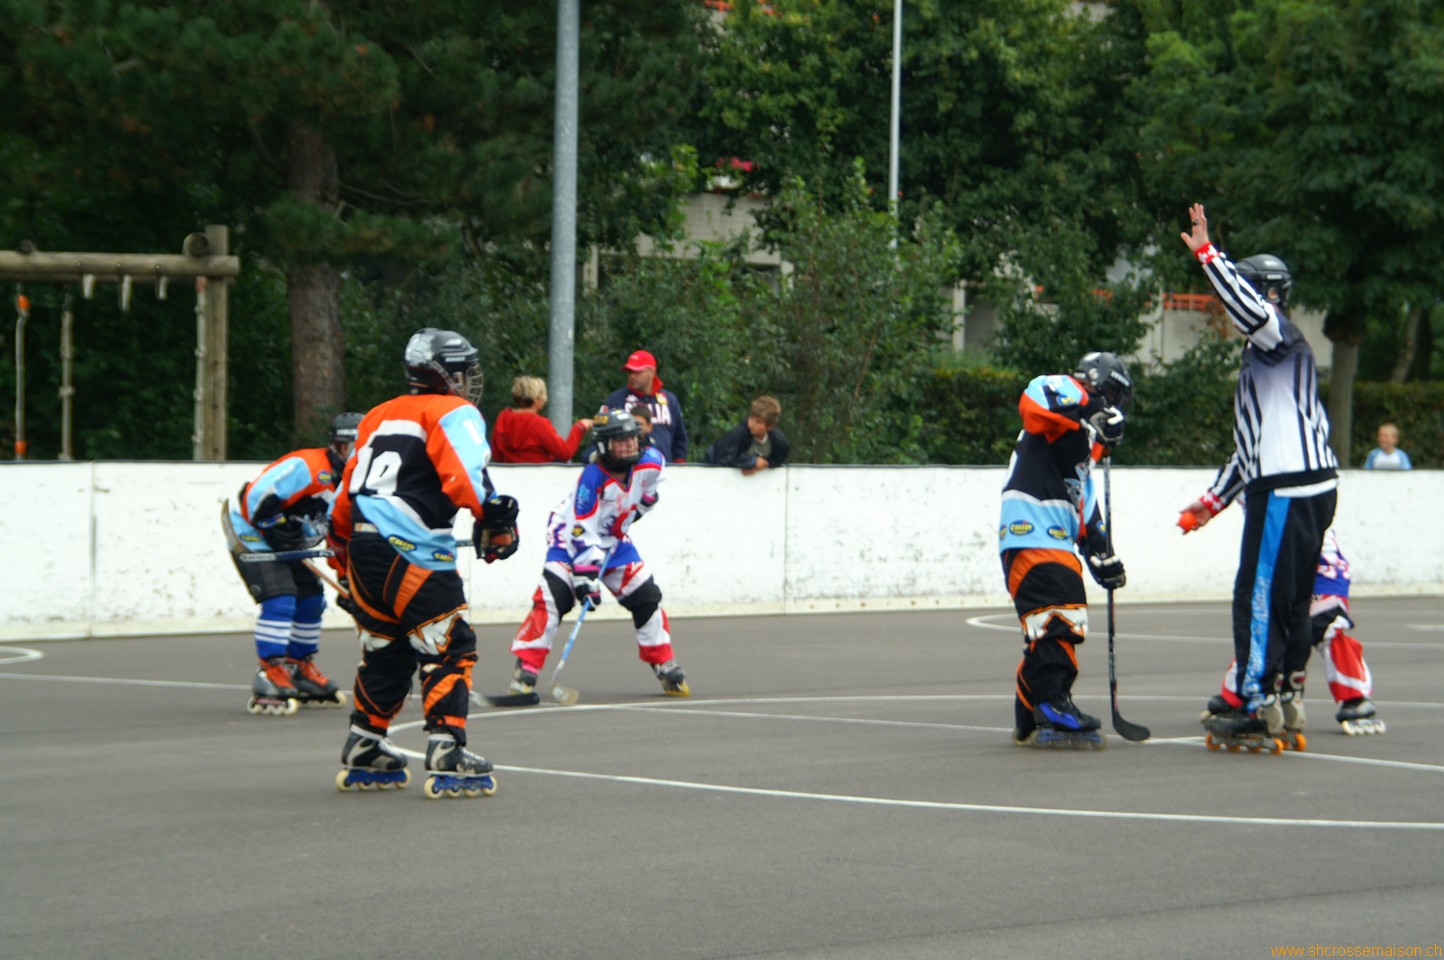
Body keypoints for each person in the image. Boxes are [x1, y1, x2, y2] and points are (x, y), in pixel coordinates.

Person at [327, 327, 521, 795]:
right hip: (414, 550)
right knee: (450, 647)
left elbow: (343, 499)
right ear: (446, 374)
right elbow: (465, 475)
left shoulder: (377, 415)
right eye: (463, 371)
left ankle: (365, 742)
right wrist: (494, 517)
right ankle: (446, 747)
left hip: (363, 549)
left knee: (386, 652)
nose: (468, 380)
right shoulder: (454, 411)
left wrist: (343, 564)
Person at [1178, 203, 1339, 748]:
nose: (1229, 307)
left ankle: (1254, 700)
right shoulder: (1272, 353)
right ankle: (1286, 691)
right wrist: (1212, 502)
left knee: (1258, 595)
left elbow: (1248, 306)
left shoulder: (1276, 335)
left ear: (1266, 293)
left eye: (1245, 292)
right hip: (1311, 485)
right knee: (1291, 599)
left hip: (1287, 488)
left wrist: (1208, 253)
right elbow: (1250, 449)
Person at [998, 351, 1131, 749]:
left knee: (1054, 622)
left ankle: (1030, 710)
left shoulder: (1080, 451)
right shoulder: (1061, 401)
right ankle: (1052, 703)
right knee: (1060, 615)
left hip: (1050, 538)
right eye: (1115, 398)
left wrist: (1102, 553)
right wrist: (1091, 407)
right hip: (1031, 532)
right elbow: (1034, 398)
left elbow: (1084, 505)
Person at [506, 408, 687, 698]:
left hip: (613, 539)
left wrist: (633, 513)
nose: (629, 445)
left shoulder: (652, 463)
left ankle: (663, 662)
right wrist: (585, 578)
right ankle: (526, 667)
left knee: (646, 596)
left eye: (632, 438)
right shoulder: (591, 478)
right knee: (554, 597)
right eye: (620, 440)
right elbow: (581, 529)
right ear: (604, 446)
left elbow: (649, 495)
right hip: (570, 537)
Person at [223, 411, 362, 715]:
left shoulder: (362, 486)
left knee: (311, 599)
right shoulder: (308, 466)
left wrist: (348, 578)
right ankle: (269, 670)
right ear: (336, 446)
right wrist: (274, 525)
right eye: (348, 447)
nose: (354, 455)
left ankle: (298, 666)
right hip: (249, 527)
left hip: (292, 538)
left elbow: (343, 537)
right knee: (280, 597)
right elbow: (255, 495)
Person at [1199, 529, 1385, 736]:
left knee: (1327, 629)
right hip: (1288, 568)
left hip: (1321, 571)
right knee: (1268, 631)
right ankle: (1238, 693)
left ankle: (1356, 697)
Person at [603, 349, 689, 463]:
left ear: (651, 372)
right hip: (627, 469)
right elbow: (602, 436)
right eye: (629, 372)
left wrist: (679, 466)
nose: (632, 376)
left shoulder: (669, 400)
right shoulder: (616, 399)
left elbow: (680, 439)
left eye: (637, 372)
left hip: (664, 468)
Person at [490, 375, 594, 463]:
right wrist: (579, 427)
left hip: (507, 477)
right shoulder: (539, 424)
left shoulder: (503, 418)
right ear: (537, 400)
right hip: (538, 476)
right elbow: (565, 453)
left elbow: (497, 455)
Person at [703, 395, 790, 474]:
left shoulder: (779, 442)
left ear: (769, 427)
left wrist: (760, 467)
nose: (752, 424)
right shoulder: (739, 433)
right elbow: (724, 458)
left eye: (758, 422)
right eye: (751, 418)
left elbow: (777, 460)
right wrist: (752, 462)